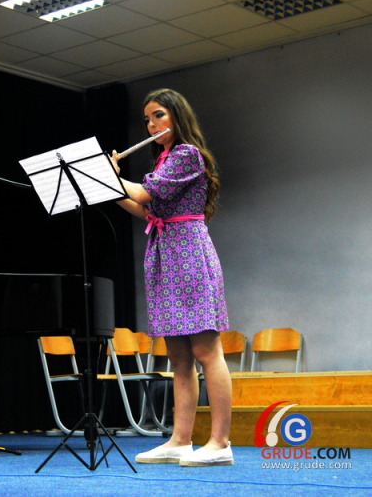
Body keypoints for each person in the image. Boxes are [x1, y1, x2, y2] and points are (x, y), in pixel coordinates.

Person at [110, 89, 233, 467]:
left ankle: (220, 443)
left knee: (206, 351)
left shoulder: (186, 155)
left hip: (189, 253)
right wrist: (106, 188)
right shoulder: (164, 158)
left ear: (178, 116)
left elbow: (145, 192)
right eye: (147, 119)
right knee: (178, 356)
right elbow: (144, 209)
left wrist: (109, 177)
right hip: (165, 254)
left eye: (159, 115)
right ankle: (180, 440)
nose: (152, 125)